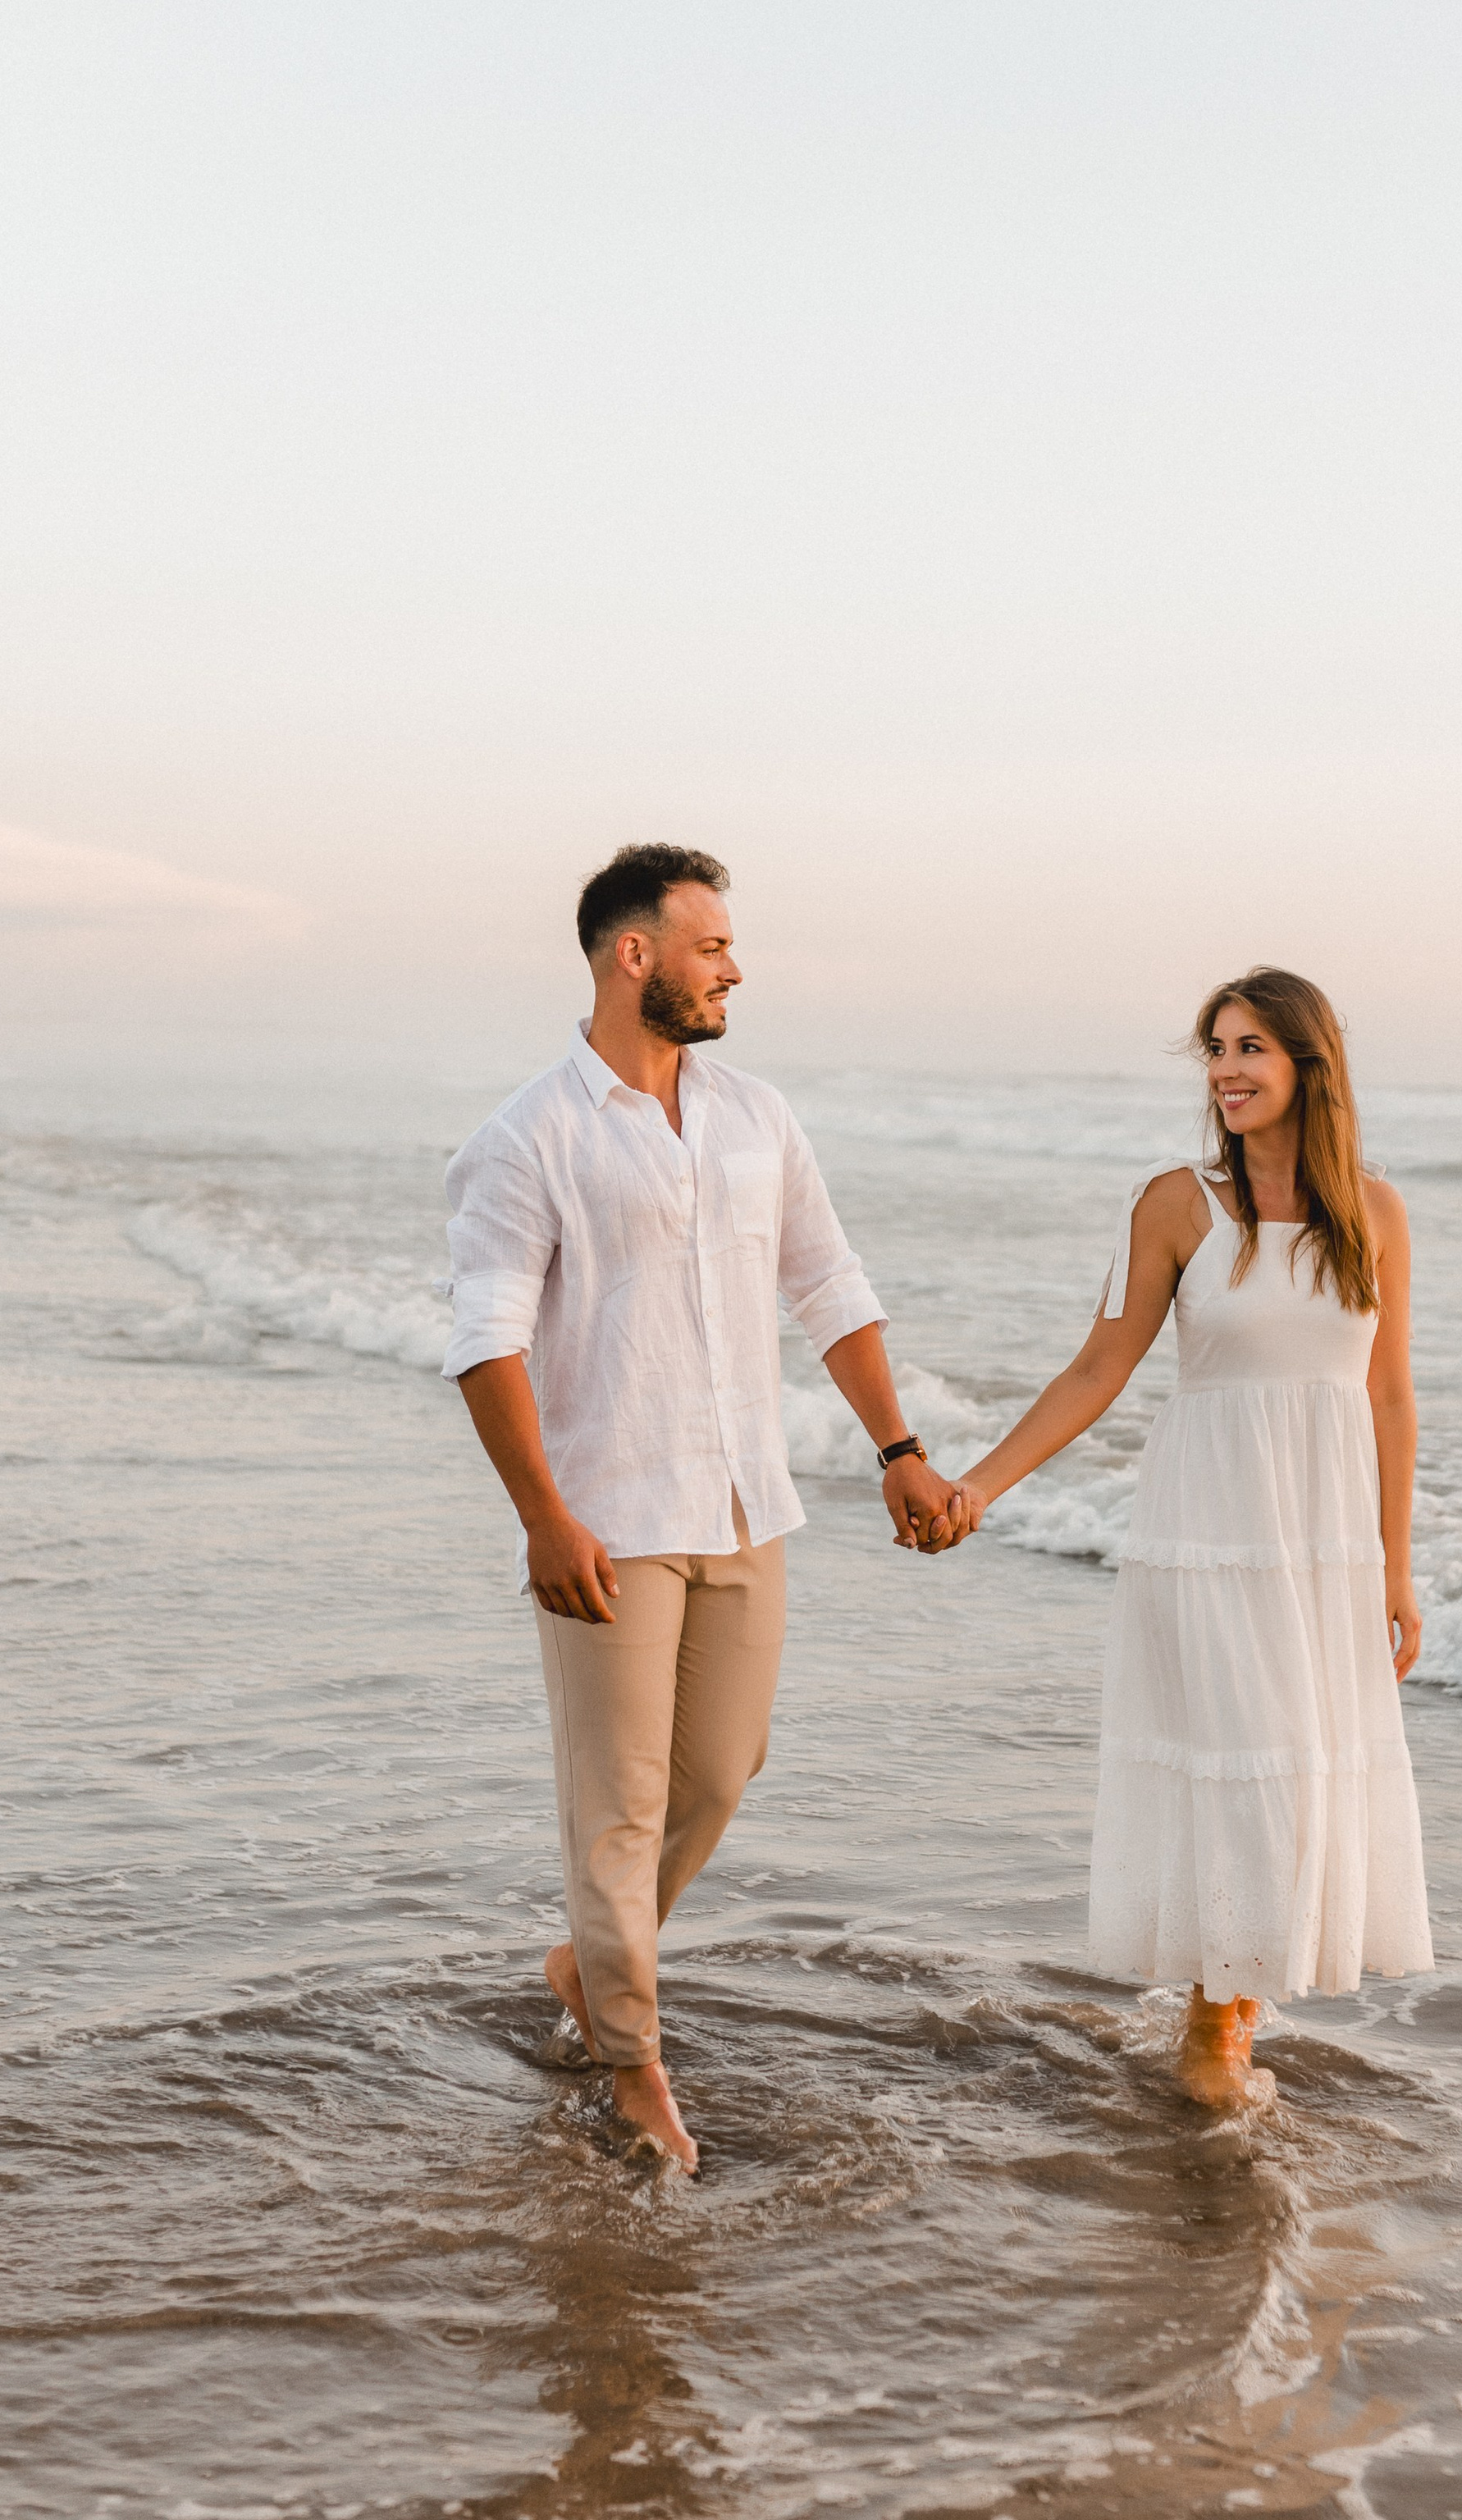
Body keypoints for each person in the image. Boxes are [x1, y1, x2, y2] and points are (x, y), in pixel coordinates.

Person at [442, 842, 962, 2171]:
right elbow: (488, 1344)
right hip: (610, 1511)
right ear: (636, 955)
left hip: (744, 1501)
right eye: (712, 943)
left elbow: (828, 1284)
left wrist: (898, 1445)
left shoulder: (755, 1116)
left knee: (721, 1771)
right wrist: (542, 1517)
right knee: (615, 1806)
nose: (736, 965)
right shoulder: (527, 1137)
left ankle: (587, 1959)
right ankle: (633, 2064)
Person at [939, 966, 1432, 2105]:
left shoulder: (1376, 1211)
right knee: (1242, 1764)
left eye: (1251, 1046)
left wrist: (1395, 1570)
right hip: (1210, 1527)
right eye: (1215, 1047)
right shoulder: (1176, 1204)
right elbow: (1098, 1367)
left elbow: (1392, 1397)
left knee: (1300, 1770)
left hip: (1322, 1543)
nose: (1226, 1068)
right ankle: (1216, 2029)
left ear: (1311, 1064)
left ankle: (1231, 2006)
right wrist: (981, 1485)